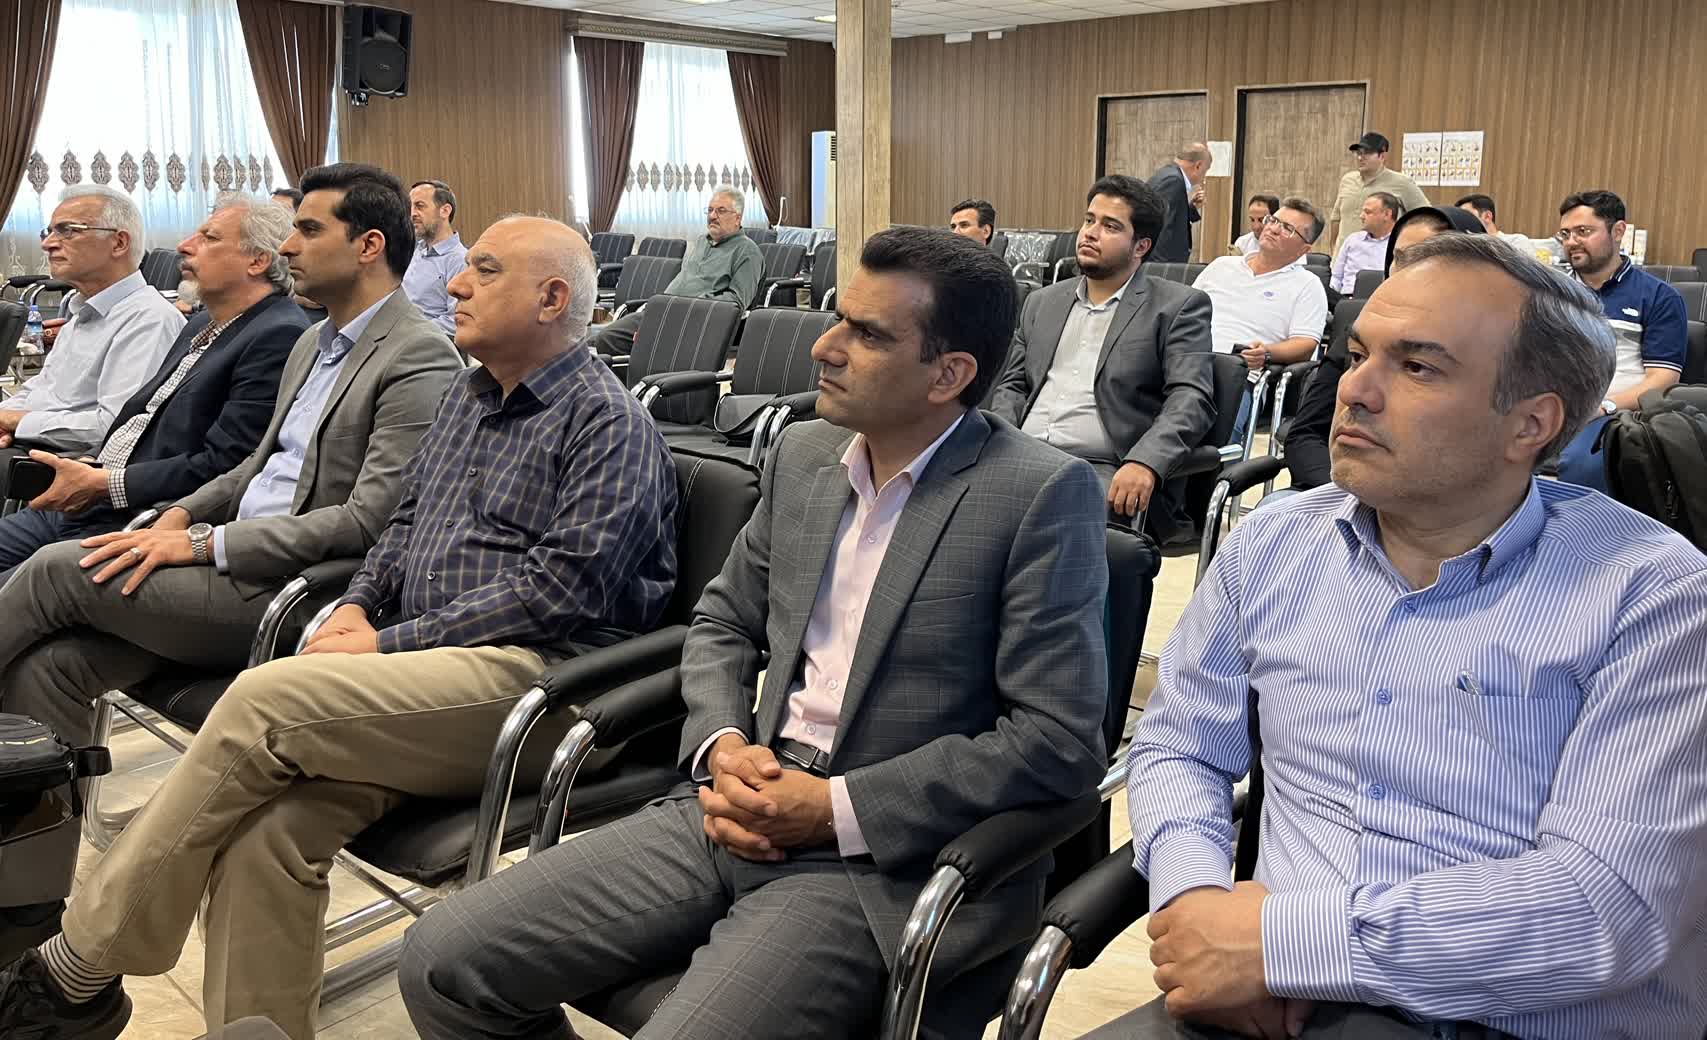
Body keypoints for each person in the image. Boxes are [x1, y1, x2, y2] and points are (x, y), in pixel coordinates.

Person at [398, 227, 1111, 1040]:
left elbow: (1056, 740)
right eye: (838, 319)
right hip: (736, 798)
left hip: (878, 861)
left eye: (867, 334)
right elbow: (724, 620)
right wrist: (723, 743)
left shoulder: (1035, 494)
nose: (824, 347)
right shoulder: (806, 455)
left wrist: (833, 807)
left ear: (948, 374)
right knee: (442, 960)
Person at [0, 219, 682, 1040]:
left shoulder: (606, 422)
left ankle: (72, 971)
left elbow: (562, 591)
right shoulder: (472, 398)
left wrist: (386, 643)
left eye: (483, 270)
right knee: (266, 836)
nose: (455, 284)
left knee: (265, 700)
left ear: (551, 298)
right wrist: (358, 604)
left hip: (544, 687)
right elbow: (402, 527)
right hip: (428, 677)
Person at [1093, 231, 1707, 1040]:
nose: (1354, 390)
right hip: (1267, 1007)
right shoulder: (1273, 545)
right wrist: (1197, 908)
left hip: (1520, 1021)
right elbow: (1180, 747)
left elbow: (1604, 907)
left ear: (1530, 423)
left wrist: (1278, 946)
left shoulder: (1655, 596)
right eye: (1356, 355)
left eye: (1415, 367)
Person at [0, 162, 463, 757]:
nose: (288, 248)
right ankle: (38, 816)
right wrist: (180, 515)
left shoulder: (419, 355)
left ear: (368, 246)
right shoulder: (313, 343)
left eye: (309, 231)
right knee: (49, 667)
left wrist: (201, 543)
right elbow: (254, 467)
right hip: (226, 564)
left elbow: (368, 521)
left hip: (291, 588)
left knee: (56, 569)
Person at [0, 194, 307, 578]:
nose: (184, 245)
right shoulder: (203, 323)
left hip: (142, 519)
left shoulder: (277, 335)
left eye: (209, 238)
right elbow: (143, 421)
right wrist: (91, 468)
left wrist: (104, 482)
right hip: (91, 495)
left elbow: (226, 465)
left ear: (257, 261)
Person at [989, 176, 1212, 541]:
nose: (1090, 233)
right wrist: (998, 438)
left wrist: (1145, 460)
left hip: (1102, 467)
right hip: (1022, 454)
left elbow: (1191, 398)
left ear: (1141, 246)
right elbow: (1013, 385)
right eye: (1089, 220)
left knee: (1044, 525)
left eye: (1110, 226)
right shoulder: (1042, 302)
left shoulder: (1176, 307)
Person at [1277, 205, 1485, 496]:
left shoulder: (1487, 350)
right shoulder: (1358, 332)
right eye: (1400, 258)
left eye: (1427, 258)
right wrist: (1346, 496)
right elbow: (1305, 436)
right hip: (1334, 491)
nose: (1410, 271)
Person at [0, 186, 184, 455]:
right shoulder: (82, 311)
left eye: (67, 230)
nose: (47, 243)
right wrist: (4, 419)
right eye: (48, 232)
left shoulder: (150, 320)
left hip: (69, 464)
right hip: (28, 444)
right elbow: (40, 390)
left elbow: (116, 426)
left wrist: (18, 422)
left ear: (119, 243)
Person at [1553, 189, 1688, 493]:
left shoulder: (1659, 297)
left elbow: (1663, 380)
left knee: (1582, 463)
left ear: (1618, 231)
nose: (1571, 241)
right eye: (1566, 233)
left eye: (1583, 231)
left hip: (1616, 412)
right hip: (1552, 405)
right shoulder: (1550, 292)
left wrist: (1603, 407)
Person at [1192, 197, 1329, 442]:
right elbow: (1185, 310)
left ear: (1304, 249)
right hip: (1187, 360)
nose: (1273, 228)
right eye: (1273, 220)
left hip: (1237, 374)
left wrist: (1267, 352)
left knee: (1218, 438)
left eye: (1287, 228)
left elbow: (1306, 344)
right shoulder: (1221, 266)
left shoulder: (1307, 285)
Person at [593, 187, 763, 358]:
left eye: (721, 211)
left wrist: (690, 305)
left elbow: (736, 302)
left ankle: (649, 370)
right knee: (605, 338)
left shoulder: (748, 252)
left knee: (622, 343)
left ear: (737, 218)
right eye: (710, 210)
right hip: (663, 310)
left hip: (694, 320)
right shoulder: (703, 242)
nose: (712, 216)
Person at [1328, 133, 1427, 253]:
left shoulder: (1402, 183)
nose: (1360, 158)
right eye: (1359, 153)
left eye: (1367, 153)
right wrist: (1334, 251)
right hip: (1344, 258)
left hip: (1381, 258)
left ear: (1382, 156)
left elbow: (1426, 216)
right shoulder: (1347, 180)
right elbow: (1336, 218)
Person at [402, 179, 468, 335]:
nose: (412, 214)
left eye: (419, 206)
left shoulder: (459, 260)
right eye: (410, 207)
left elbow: (456, 321)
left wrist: (408, 331)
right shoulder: (416, 251)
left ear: (445, 211)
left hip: (426, 342)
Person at [1146, 142, 1210, 263]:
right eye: (1205, 171)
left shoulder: (1170, 175)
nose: (1203, 178)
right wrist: (1160, 268)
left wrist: (1191, 208)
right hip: (1162, 264)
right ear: (1198, 166)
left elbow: (1172, 216)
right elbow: (1162, 226)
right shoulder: (1173, 181)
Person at [1329, 190, 1399, 294]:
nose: (1361, 216)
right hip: (1347, 299)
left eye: (1367, 212)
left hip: (1383, 299)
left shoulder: (1400, 244)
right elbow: (1336, 278)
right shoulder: (1352, 241)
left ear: (1387, 214)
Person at [1455, 193, 1536, 256]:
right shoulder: (1463, 247)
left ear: (1487, 216)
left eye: (1467, 215)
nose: (1463, 220)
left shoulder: (1516, 241)